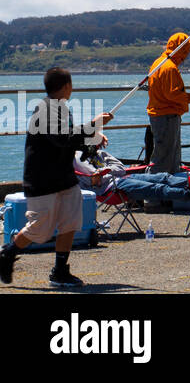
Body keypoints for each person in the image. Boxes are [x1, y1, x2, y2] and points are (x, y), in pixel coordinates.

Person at [1, 67, 112, 289]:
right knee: (40, 228)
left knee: (71, 220)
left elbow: (68, 140)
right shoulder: (45, 111)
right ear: (66, 86)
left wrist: (92, 138)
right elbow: (62, 139)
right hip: (42, 178)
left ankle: (60, 271)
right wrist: (93, 125)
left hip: (63, 176)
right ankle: (7, 254)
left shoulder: (61, 109)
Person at [146, 32, 190, 174]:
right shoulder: (169, 68)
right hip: (166, 116)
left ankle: (169, 190)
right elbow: (173, 94)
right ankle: (152, 192)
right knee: (163, 159)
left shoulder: (159, 62)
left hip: (161, 115)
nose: (188, 53)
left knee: (170, 157)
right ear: (181, 49)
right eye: (188, 49)